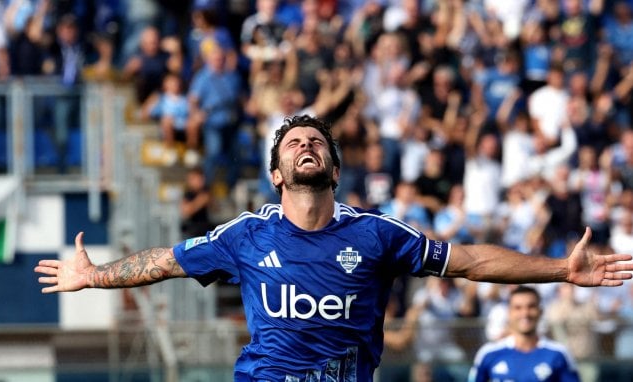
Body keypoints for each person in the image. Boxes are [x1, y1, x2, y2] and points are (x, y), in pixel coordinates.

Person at [35, 115, 633, 382]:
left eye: (315, 141)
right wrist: (95, 277)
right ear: (276, 173)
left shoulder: (377, 234)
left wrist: (559, 268)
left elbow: (470, 261)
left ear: (334, 167)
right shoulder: (245, 234)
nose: (305, 146)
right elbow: (163, 262)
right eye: (293, 142)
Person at [468, 285, 581, 382]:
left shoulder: (558, 354)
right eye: (518, 308)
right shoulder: (488, 353)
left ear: (540, 311)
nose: (525, 313)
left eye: (531, 307)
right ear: (509, 313)